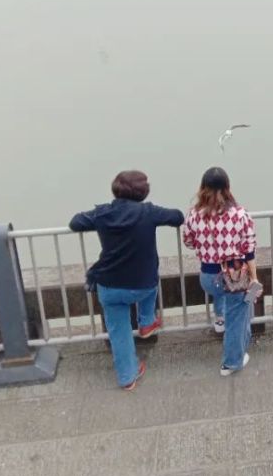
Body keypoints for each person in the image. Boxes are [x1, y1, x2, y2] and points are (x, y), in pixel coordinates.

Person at [69, 170, 184, 391]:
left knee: (119, 332)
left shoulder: (102, 214)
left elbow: (75, 222)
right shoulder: (148, 212)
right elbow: (177, 216)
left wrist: (97, 219)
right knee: (151, 285)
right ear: (143, 192)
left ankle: (127, 377)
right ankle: (147, 321)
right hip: (143, 285)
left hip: (109, 286)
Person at [182, 167, 259, 376]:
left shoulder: (193, 215)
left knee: (220, 295)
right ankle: (232, 362)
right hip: (234, 275)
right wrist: (254, 278)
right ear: (227, 187)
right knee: (237, 318)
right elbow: (249, 250)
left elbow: (188, 241)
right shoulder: (240, 215)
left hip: (207, 275)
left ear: (202, 188)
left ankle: (219, 320)